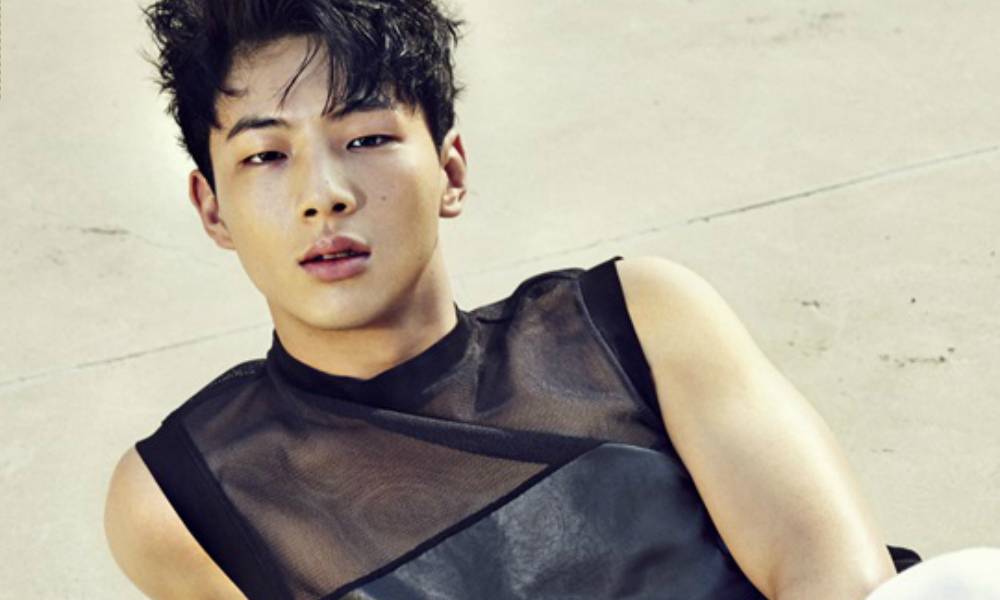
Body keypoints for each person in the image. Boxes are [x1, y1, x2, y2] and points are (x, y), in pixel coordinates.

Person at [102, 1, 964, 598]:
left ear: (450, 170)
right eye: (265, 156)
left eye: (365, 138)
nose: (324, 195)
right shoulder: (186, 495)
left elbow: (838, 585)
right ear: (212, 208)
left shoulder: (634, 324)